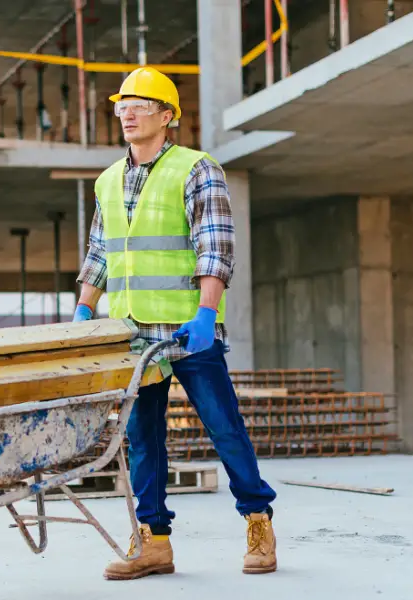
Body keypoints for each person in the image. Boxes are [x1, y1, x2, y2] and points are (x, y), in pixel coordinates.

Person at [73, 66, 278, 580]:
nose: (127, 112)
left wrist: (207, 313)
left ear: (167, 116)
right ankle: (153, 541)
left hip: (188, 329)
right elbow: (101, 252)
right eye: (122, 105)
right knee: (143, 438)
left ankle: (258, 522)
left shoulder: (197, 168)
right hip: (131, 332)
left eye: (139, 104)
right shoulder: (106, 180)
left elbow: (215, 245)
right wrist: (83, 308)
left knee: (223, 427)